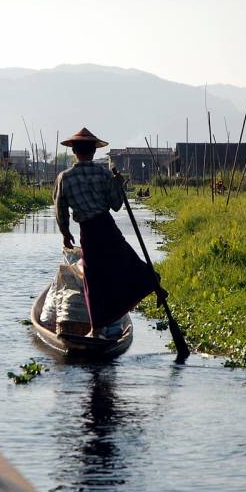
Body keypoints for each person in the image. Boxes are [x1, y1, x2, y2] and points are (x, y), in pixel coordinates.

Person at [53, 127, 165, 338]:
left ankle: (96, 330)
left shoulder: (64, 177)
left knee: (94, 280)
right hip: (107, 226)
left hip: (89, 231)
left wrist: (65, 233)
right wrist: (119, 185)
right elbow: (115, 205)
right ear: (93, 152)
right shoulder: (104, 173)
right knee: (125, 261)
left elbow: (60, 209)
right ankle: (153, 284)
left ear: (74, 151)